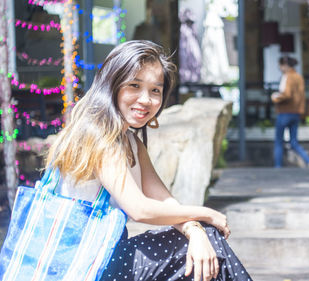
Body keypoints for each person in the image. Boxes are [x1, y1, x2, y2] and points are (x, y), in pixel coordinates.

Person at [46, 40, 252, 281]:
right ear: (112, 84)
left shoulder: (132, 142)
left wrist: (194, 230)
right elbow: (139, 209)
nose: (146, 99)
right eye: (134, 85)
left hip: (106, 257)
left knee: (204, 241)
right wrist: (205, 214)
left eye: (155, 90)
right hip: (81, 267)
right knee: (205, 245)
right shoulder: (98, 135)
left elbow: (166, 202)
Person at [271, 56, 309, 169]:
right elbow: (301, 96)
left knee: (279, 141)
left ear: (285, 65)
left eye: (280, 65)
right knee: (294, 142)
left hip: (285, 112)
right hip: (296, 112)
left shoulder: (288, 77)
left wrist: (275, 98)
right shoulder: (299, 77)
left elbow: (287, 94)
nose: (279, 68)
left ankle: (278, 167)